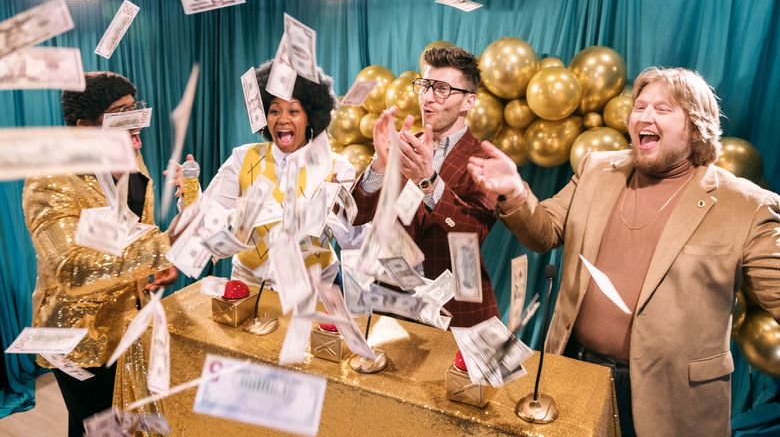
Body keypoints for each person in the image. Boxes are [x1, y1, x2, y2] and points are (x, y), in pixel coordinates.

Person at [468, 67, 780, 436]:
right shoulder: (597, 169)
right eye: (640, 106)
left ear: (697, 126)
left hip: (673, 400)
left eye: (663, 110)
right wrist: (514, 192)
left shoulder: (747, 205)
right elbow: (545, 232)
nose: (644, 116)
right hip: (574, 371)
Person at [22, 71, 176, 437]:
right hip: (78, 339)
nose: (137, 118)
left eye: (135, 107)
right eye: (121, 112)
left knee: (129, 423)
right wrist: (163, 247)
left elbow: (134, 234)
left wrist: (157, 265)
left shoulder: (131, 161)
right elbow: (71, 268)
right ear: (84, 127)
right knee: (96, 427)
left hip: (130, 324)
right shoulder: (50, 177)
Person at [176, 60, 365, 285]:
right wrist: (190, 193)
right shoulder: (241, 158)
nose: (282, 119)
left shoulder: (337, 167)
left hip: (314, 289)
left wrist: (338, 212)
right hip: (250, 287)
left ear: (310, 117)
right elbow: (207, 223)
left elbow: (356, 243)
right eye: (274, 110)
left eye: (293, 110)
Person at [352, 47, 499, 328]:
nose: (428, 97)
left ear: (468, 102)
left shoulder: (487, 160)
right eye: (425, 85)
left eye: (442, 89)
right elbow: (355, 215)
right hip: (391, 304)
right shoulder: (402, 144)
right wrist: (379, 165)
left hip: (456, 311)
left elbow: (473, 231)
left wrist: (429, 182)